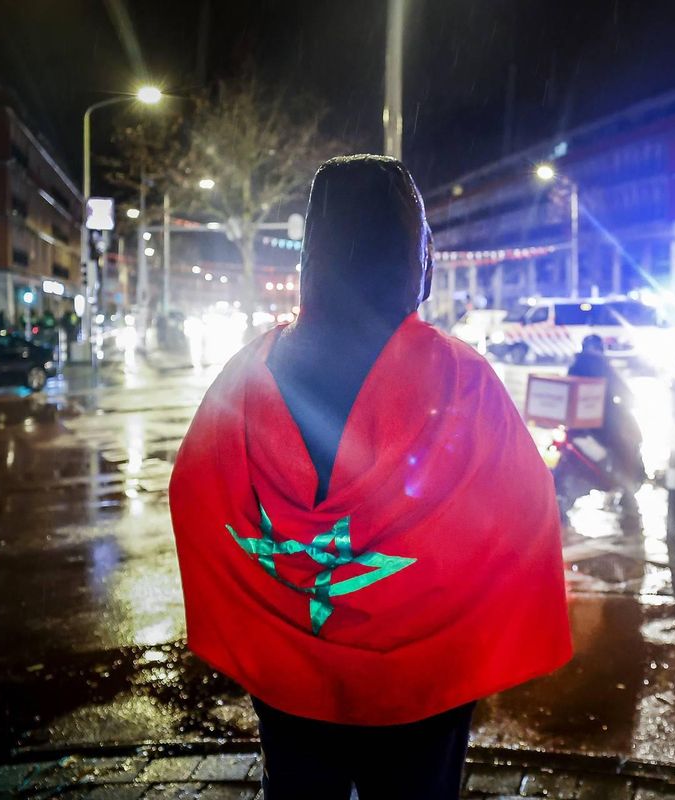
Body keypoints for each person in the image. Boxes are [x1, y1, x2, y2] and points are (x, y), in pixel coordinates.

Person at [169, 156, 572, 799]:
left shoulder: (247, 376)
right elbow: (523, 512)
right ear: (417, 259)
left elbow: (195, 493)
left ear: (312, 257)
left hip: (289, 674)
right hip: (423, 685)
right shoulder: (460, 380)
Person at [567, 334, 646, 499]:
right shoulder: (604, 367)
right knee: (629, 444)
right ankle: (626, 490)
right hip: (604, 424)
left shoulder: (574, 367)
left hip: (577, 426)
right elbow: (624, 391)